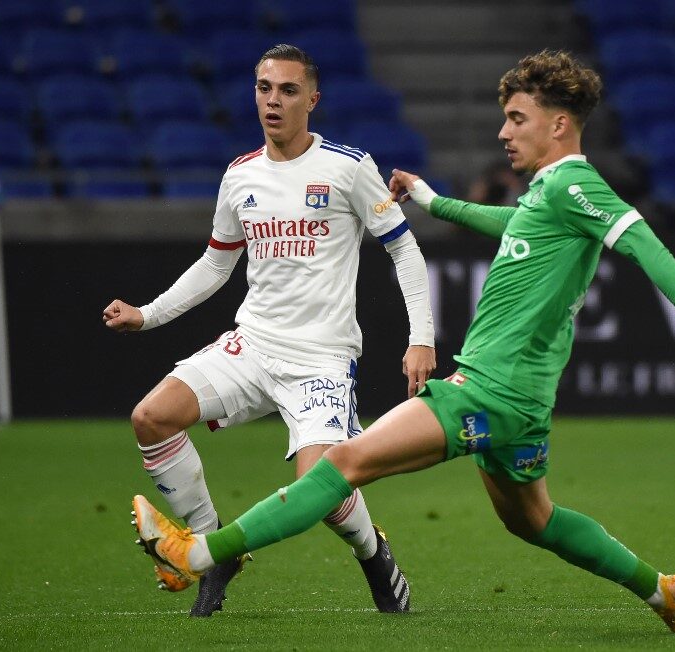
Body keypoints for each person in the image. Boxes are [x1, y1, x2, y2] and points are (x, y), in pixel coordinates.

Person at [130, 50, 675, 633]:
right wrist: (436, 203)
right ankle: (665, 593)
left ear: (557, 125)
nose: (503, 132)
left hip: (488, 390)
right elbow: (514, 221)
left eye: (517, 118)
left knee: (340, 465)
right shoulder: (551, 192)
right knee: (536, 521)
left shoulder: (578, 185)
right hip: (522, 401)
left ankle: (201, 552)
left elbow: (645, 247)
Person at [104, 44, 436, 616]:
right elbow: (216, 263)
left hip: (323, 358)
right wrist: (148, 314)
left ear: (313, 98)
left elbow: (403, 249)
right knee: (151, 417)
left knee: (322, 490)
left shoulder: (348, 167)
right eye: (263, 88)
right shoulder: (240, 176)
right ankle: (212, 544)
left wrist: (421, 337)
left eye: (286, 90)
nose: (273, 101)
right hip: (253, 343)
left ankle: (372, 551)